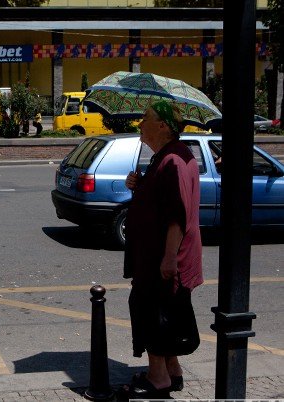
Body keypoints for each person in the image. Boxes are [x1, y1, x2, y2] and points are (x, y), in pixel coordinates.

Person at [122, 100, 203, 398]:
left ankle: (158, 378)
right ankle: (173, 371)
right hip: (161, 256)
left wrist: (169, 258)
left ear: (164, 126)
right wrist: (139, 185)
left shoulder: (173, 161)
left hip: (164, 259)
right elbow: (162, 200)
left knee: (149, 311)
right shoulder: (168, 157)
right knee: (167, 314)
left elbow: (177, 215)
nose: (140, 123)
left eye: (146, 118)